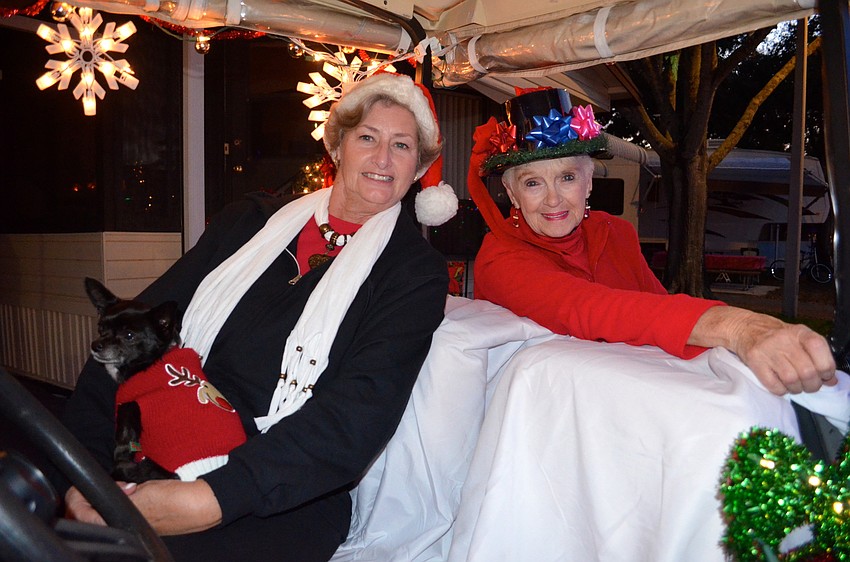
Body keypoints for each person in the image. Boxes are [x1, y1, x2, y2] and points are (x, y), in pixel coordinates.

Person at [58, 72, 458, 561]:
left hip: (282, 489)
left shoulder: (414, 272)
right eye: (368, 138)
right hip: (161, 436)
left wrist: (212, 498)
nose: (382, 158)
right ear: (337, 146)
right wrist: (86, 469)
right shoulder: (249, 221)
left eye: (402, 145)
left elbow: (359, 410)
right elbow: (132, 335)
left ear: (419, 168)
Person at [467, 87, 836, 396]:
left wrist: (741, 334)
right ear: (512, 194)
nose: (552, 199)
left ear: (589, 181)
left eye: (566, 177)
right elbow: (586, 308)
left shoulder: (615, 233)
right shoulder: (499, 258)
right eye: (533, 183)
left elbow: (659, 304)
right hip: (543, 419)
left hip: (623, 396)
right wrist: (735, 326)